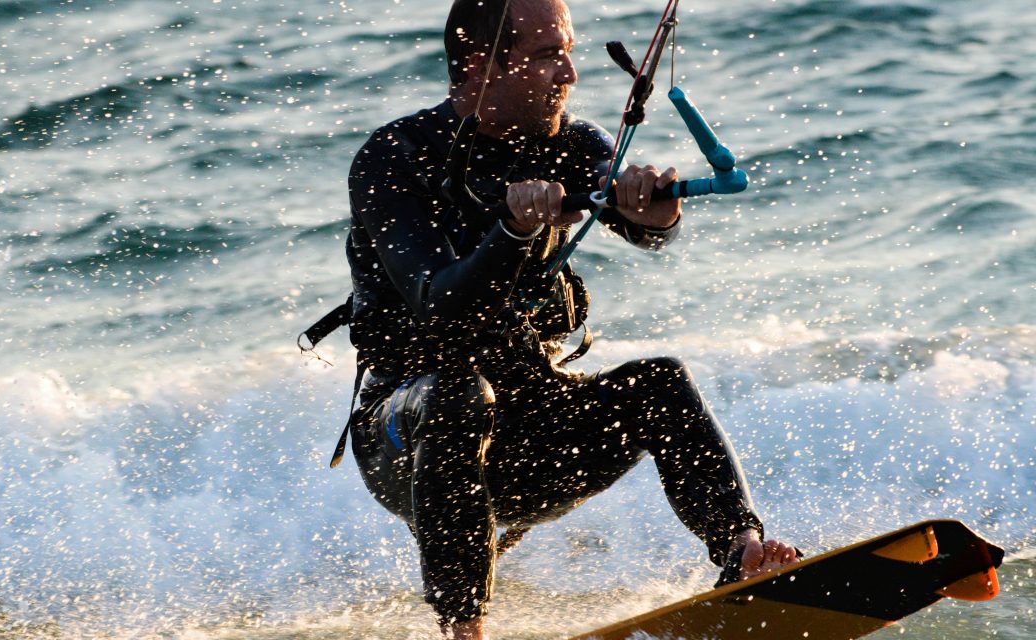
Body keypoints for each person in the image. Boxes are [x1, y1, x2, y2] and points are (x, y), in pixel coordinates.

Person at [338, 0, 800, 637]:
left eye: (570, 52)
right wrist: (514, 228)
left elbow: (648, 229)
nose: (570, 74)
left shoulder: (574, 142)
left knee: (659, 382)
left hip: (532, 431)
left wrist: (652, 209)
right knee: (458, 395)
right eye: (547, 55)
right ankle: (462, 629)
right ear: (480, 64)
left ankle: (743, 552)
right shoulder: (395, 158)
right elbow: (441, 304)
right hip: (405, 434)